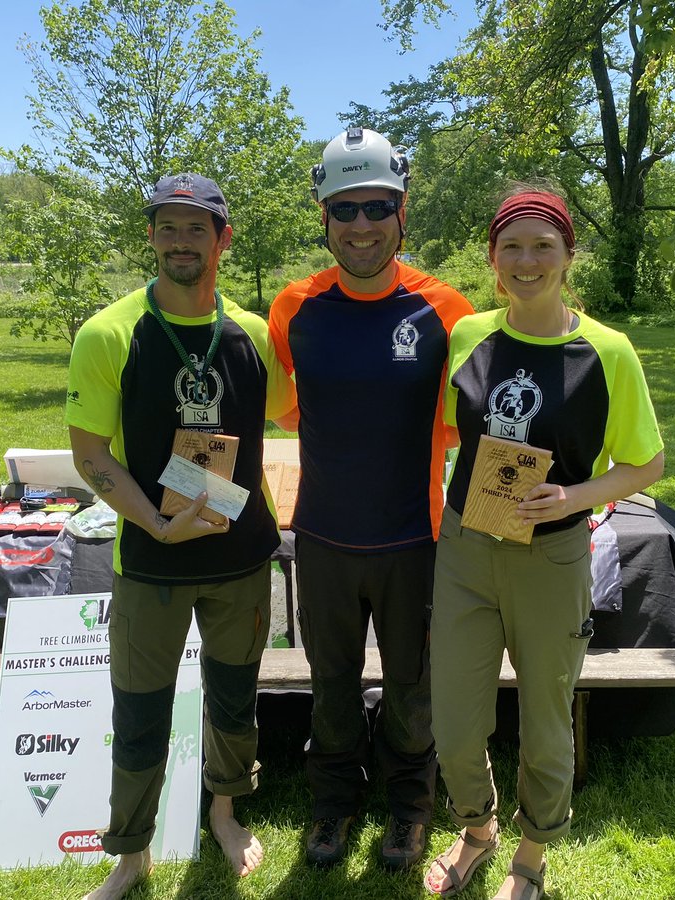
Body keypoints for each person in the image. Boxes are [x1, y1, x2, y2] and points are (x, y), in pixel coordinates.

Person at [423, 187, 665, 900]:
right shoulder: (469, 334)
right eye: (512, 248)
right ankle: (476, 828)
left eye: (543, 247)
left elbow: (646, 463)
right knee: (457, 721)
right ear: (494, 259)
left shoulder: (607, 352)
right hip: (466, 547)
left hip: (553, 556)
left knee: (545, 721)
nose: (527, 261)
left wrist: (574, 496)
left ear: (568, 255)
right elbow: (456, 434)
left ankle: (530, 855)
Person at [65, 173, 296, 899]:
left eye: (198, 228)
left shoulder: (254, 333)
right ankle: (130, 853)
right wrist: (157, 522)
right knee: (138, 708)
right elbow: (91, 454)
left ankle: (225, 815)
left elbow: (293, 416)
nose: (181, 241)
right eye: (168, 226)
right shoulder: (109, 332)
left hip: (240, 557)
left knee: (233, 697)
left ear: (222, 239)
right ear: (151, 236)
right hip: (151, 561)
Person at [268, 127, 474, 870]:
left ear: (402, 214)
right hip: (321, 537)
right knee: (330, 687)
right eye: (345, 209)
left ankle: (410, 808)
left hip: (413, 539)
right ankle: (332, 807)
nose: (361, 225)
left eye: (377, 208)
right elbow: (291, 414)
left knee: (414, 689)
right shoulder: (293, 308)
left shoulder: (447, 310)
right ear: (323, 216)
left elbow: (460, 431)